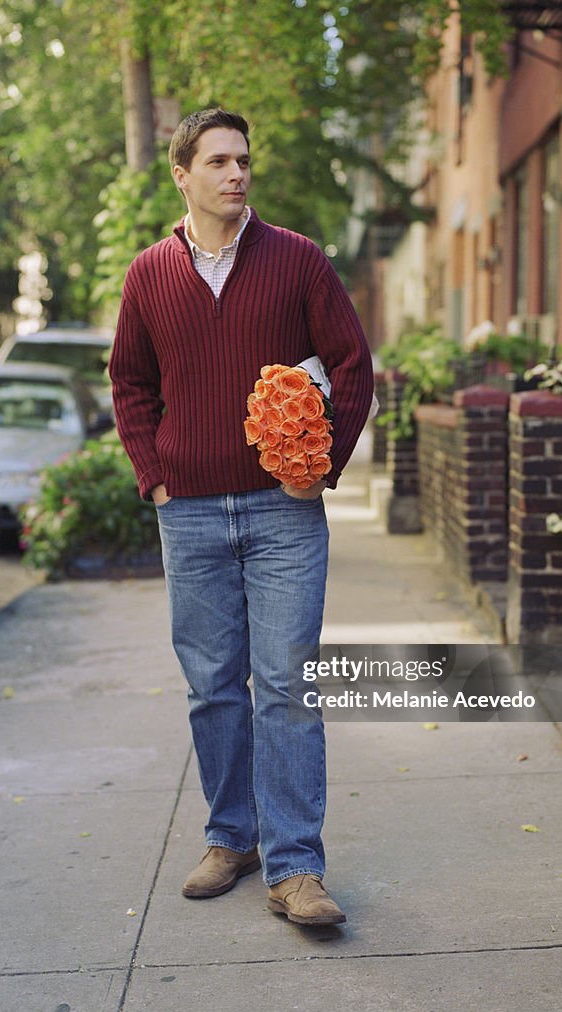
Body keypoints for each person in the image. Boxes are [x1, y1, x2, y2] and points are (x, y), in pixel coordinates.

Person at [109, 108, 373, 927]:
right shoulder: (148, 274)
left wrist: (320, 466)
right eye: (218, 161)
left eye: (243, 160)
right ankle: (232, 836)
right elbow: (129, 385)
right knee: (212, 687)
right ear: (182, 175)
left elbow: (353, 365)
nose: (235, 173)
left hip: (282, 516)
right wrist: (155, 480)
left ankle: (296, 868)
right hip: (187, 514)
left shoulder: (296, 261)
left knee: (286, 686)